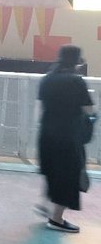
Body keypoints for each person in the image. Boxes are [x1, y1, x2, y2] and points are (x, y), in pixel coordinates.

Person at [37, 45, 96, 233]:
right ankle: (56, 219)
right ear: (76, 62)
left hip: (46, 134)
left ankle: (45, 204)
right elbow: (88, 110)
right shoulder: (76, 81)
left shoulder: (47, 79)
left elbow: (40, 107)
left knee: (52, 171)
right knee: (68, 176)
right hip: (68, 136)